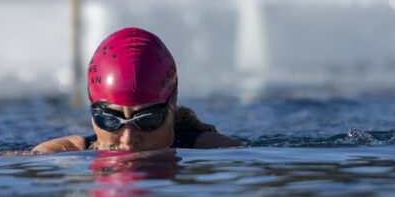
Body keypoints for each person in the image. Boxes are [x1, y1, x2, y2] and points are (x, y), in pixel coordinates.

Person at [33, 27, 242, 153]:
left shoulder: (209, 148)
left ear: (172, 107)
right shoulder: (71, 149)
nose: (128, 139)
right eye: (109, 119)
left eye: (147, 120)